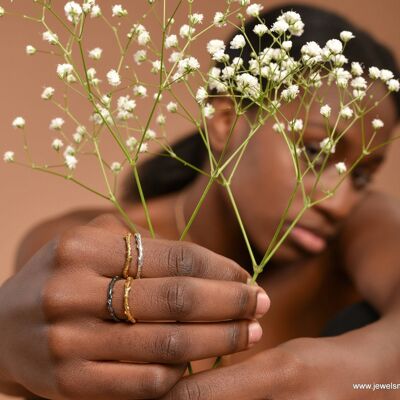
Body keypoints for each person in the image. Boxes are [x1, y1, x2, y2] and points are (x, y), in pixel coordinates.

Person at [1, 3, 400, 399]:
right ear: (226, 120)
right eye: (315, 150)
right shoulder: (102, 240)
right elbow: (49, 304)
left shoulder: (359, 230)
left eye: (363, 174)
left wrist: (358, 376)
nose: (339, 200)